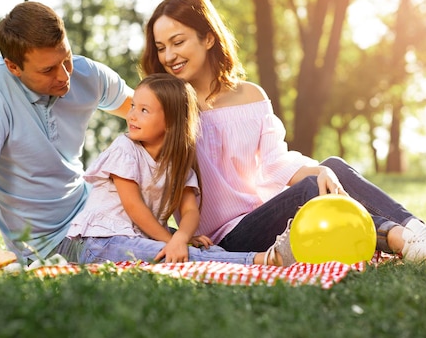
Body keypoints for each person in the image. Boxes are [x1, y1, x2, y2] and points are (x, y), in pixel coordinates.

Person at [140, 0, 426, 265]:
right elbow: (152, 178)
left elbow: (276, 162)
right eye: (161, 47)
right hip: (226, 238)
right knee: (310, 190)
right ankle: (403, 240)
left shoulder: (250, 96)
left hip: (269, 214)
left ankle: (418, 233)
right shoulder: (166, 107)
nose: (169, 55)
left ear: (208, 38)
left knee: (329, 168)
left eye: (178, 41)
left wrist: (317, 170)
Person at [0, 1, 134, 263]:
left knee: (170, 243)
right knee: (162, 255)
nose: (64, 76)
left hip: (98, 214)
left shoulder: (87, 74)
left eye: (66, 59)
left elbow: (150, 112)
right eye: (47, 70)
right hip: (50, 245)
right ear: (13, 67)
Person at [62, 73, 291, 266]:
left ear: (171, 122)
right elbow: (134, 207)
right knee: (176, 255)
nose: (131, 115)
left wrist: (182, 236)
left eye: (144, 110)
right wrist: (172, 241)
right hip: (100, 242)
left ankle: (251, 260)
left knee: (208, 250)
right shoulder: (125, 148)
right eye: (133, 106)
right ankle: (263, 260)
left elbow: (190, 211)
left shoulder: (176, 164)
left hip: (141, 237)